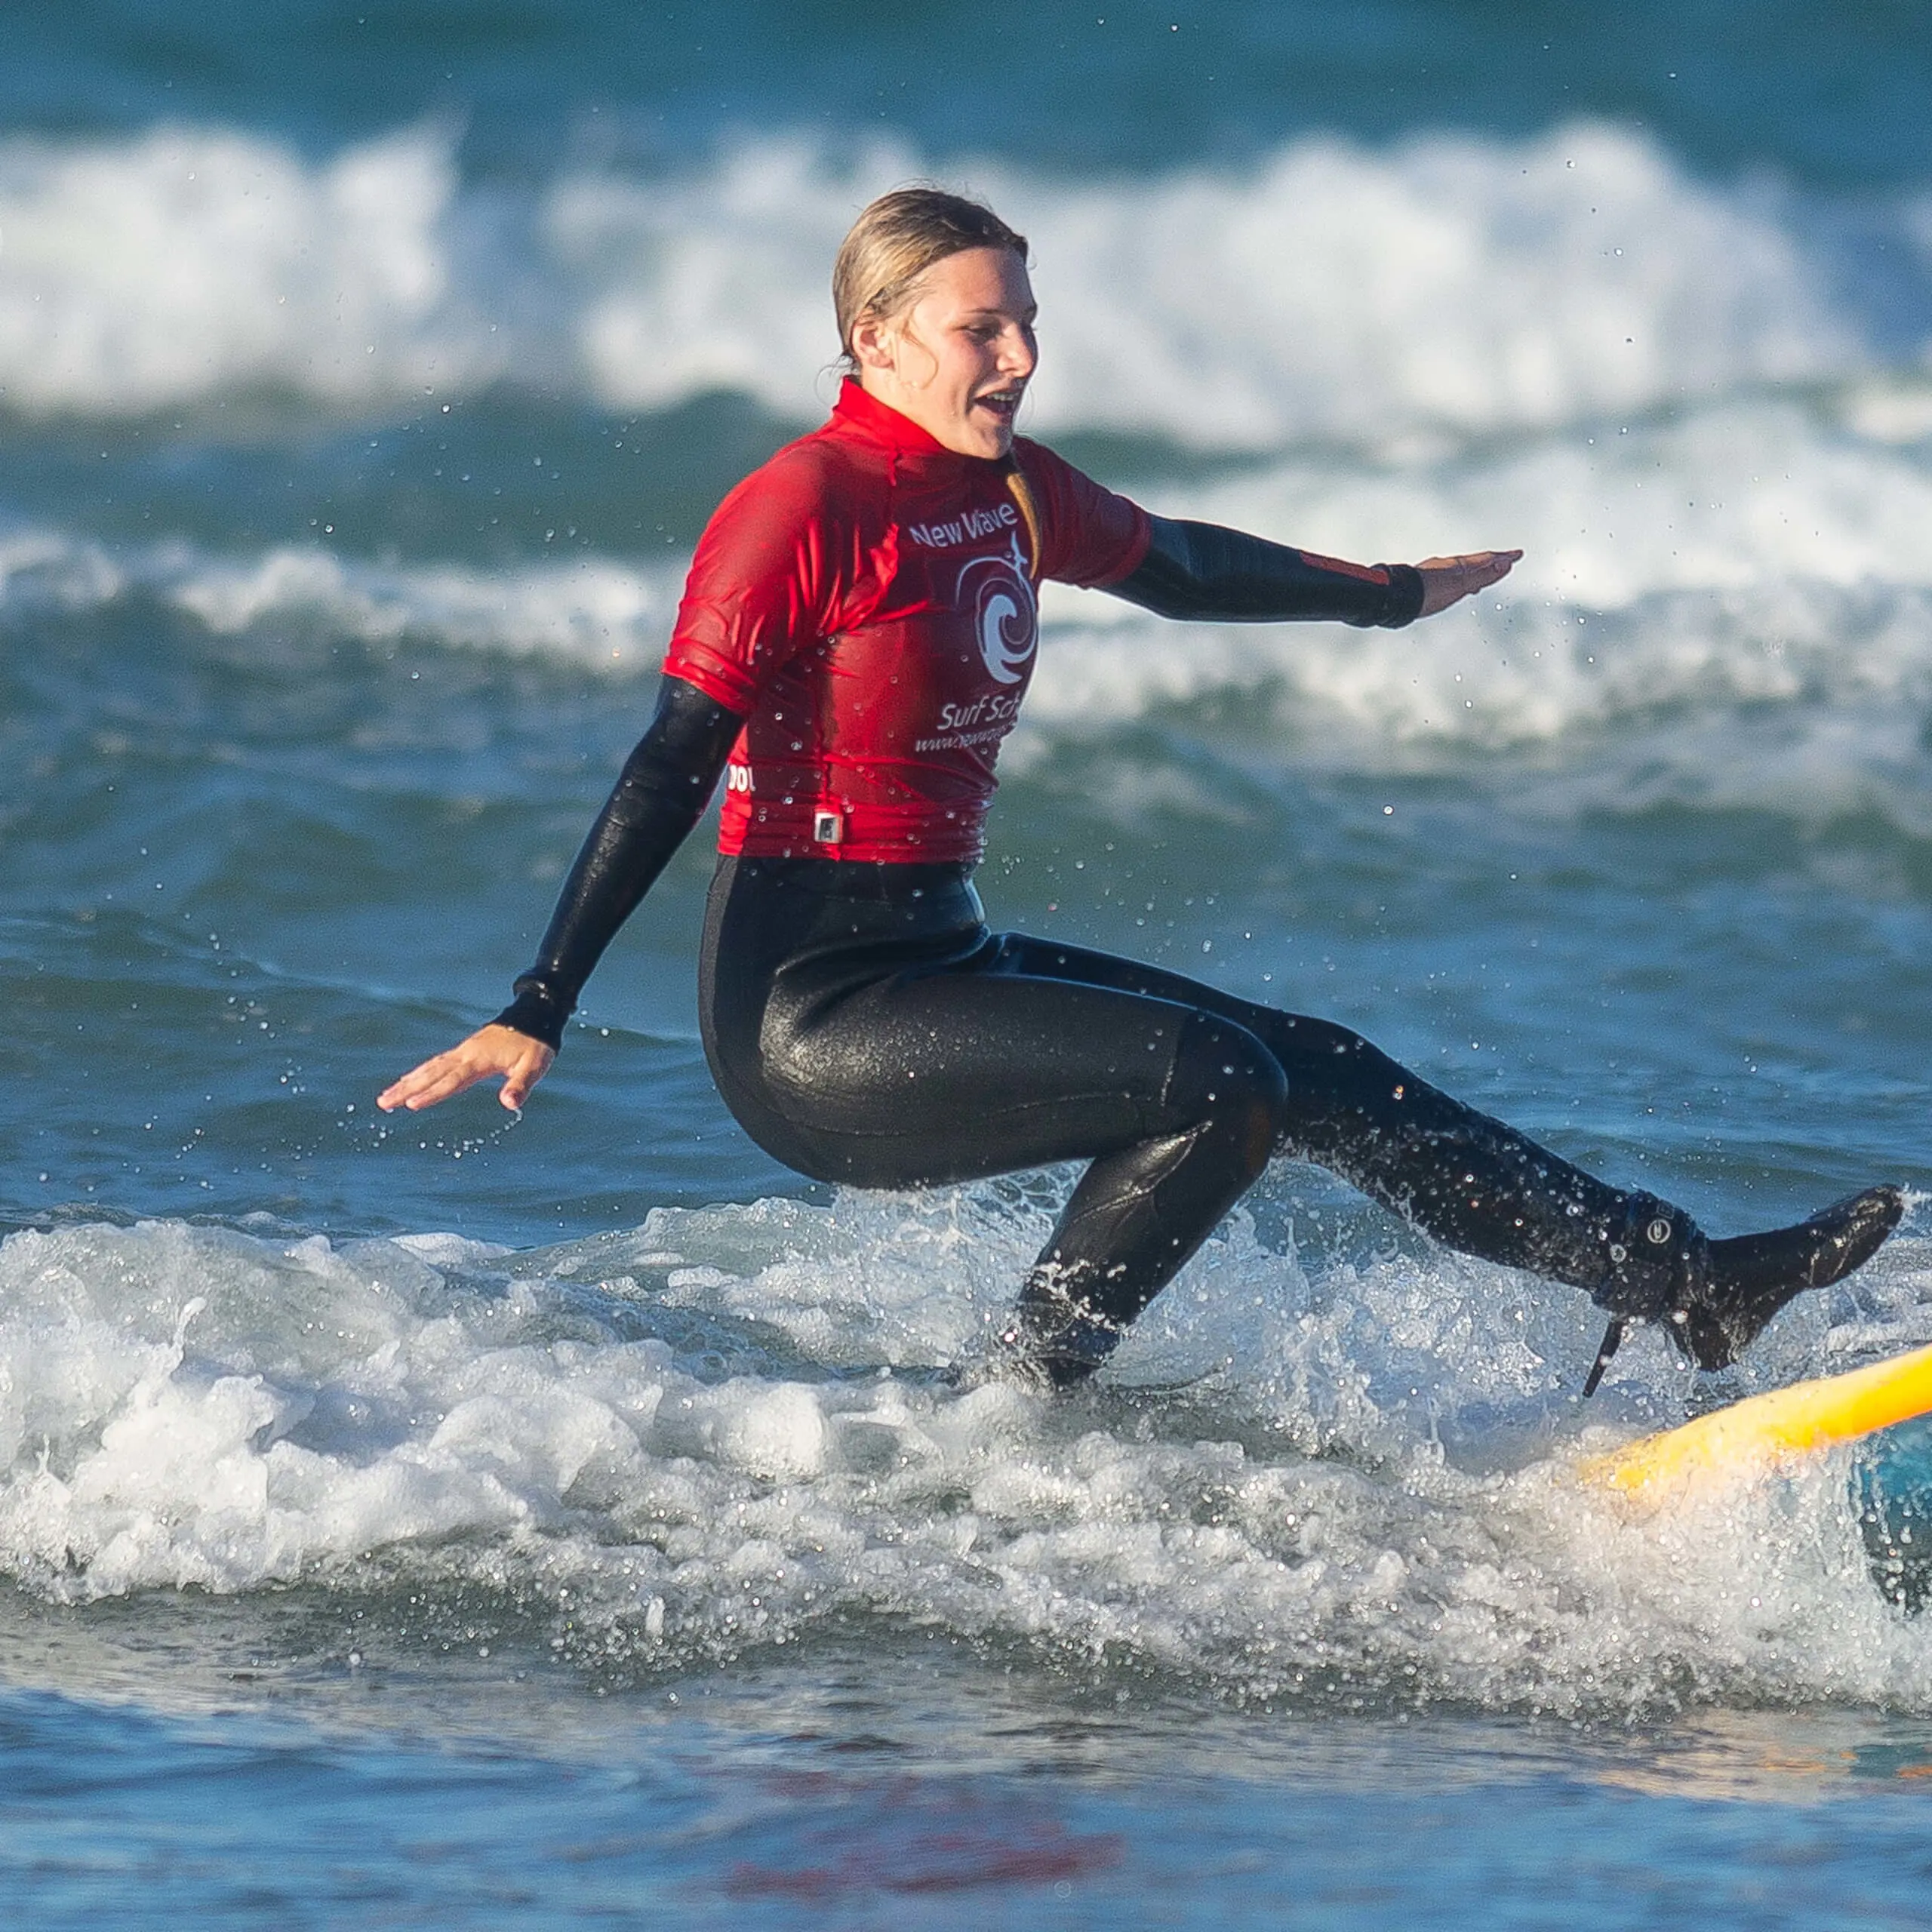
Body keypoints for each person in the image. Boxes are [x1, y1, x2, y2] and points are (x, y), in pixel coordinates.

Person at [379, 188, 1900, 1392]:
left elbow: (1171, 563)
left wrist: (1383, 593)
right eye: (982, 329)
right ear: (877, 335)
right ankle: (1015, 1404)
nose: (1020, 357)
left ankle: (1685, 1284)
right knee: (1214, 1082)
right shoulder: (799, 509)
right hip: (807, 1016)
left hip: (935, 947)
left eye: (1026, 322)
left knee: (1313, 1064)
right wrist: (540, 999)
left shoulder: (1009, 490)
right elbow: (669, 758)